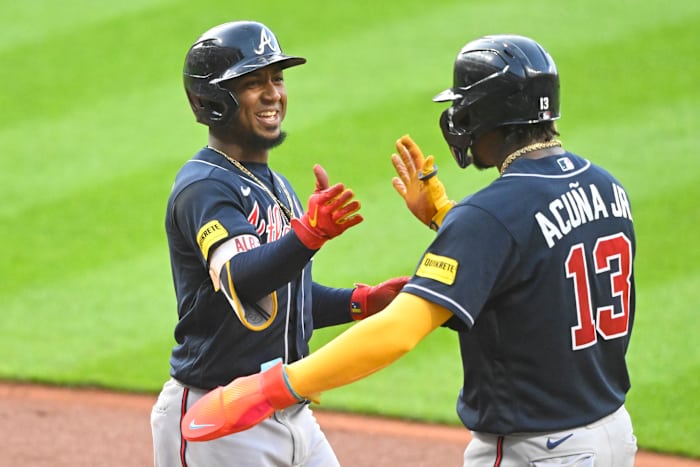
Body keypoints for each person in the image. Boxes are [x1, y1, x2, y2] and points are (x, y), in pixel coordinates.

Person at [180, 34, 638, 467]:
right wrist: (445, 218)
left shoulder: (490, 214)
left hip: (539, 449)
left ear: (488, 112)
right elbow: (537, 257)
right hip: (614, 433)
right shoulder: (606, 187)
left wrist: (273, 388)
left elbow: (398, 331)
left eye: (464, 104)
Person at [150, 20, 408, 467]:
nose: (273, 94)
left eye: (277, 78)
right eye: (253, 83)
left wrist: (361, 302)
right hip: (221, 419)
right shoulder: (204, 188)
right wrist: (308, 235)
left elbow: (284, 297)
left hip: (290, 412)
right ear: (213, 100)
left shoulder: (277, 186)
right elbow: (242, 279)